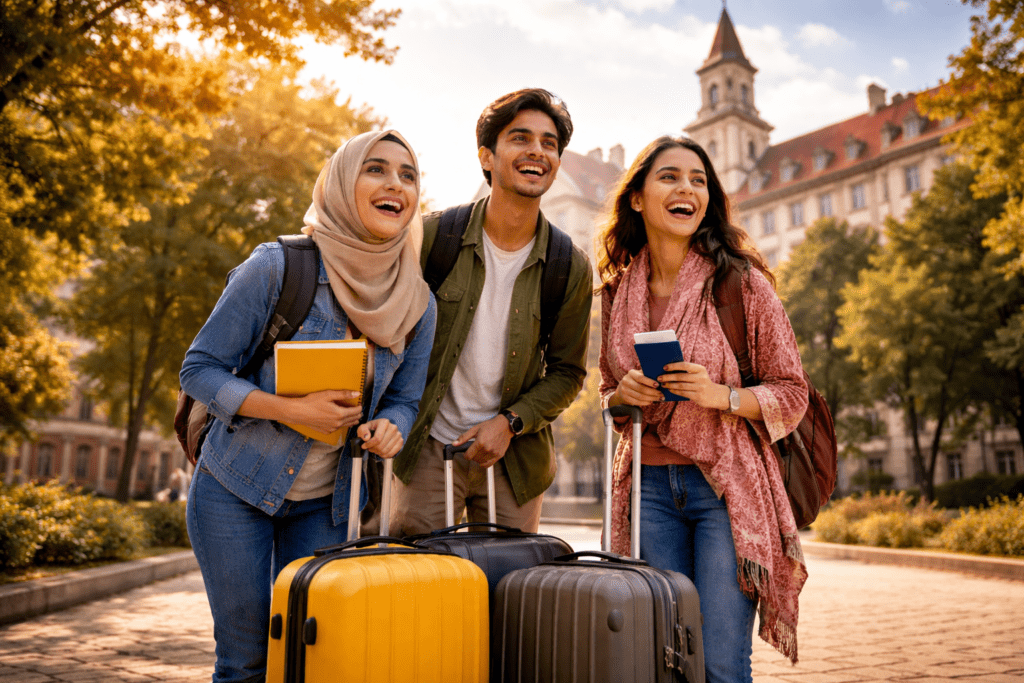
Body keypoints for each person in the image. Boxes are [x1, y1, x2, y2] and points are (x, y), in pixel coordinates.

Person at [180, 129, 436, 683]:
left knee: (309, 661)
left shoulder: (418, 302)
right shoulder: (277, 267)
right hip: (236, 490)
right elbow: (198, 370)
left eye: (408, 174)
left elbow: (405, 399)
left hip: (328, 505)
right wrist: (290, 409)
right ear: (342, 184)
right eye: (376, 169)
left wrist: (392, 426)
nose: (395, 183)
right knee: (247, 661)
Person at [597, 136, 808, 682]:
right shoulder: (617, 292)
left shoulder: (741, 283)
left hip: (725, 492)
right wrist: (624, 398)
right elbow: (606, 393)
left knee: (719, 662)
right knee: (663, 657)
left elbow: (793, 392)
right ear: (638, 198)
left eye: (698, 179)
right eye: (669, 176)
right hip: (647, 491)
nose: (687, 188)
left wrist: (724, 396)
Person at [390, 88, 593, 536]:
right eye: (520, 138)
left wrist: (509, 423)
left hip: (514, 459)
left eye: (549, 144)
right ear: (487, 156)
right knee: (418, 586)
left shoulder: (569, 265)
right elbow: (387, 333)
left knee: (511, 593)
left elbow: (567, 373)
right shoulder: (431, 237)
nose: (537, 151)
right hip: (427, 446)